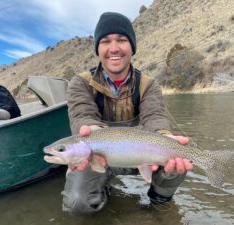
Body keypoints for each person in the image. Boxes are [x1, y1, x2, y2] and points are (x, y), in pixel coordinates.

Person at [64, 11, 193, 214]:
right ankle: (100, 189)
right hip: (98, 156)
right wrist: (92, 130)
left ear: (132, 47)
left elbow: (155, 118)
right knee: (76, 203)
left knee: (179, 159)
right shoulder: (80, 83)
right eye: (105, 41)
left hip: (142, 154)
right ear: (98, 48)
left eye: (122, 40)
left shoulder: (148, 85)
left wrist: (166, 136)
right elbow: (82, 116)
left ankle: (159, 202)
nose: (114, 48)